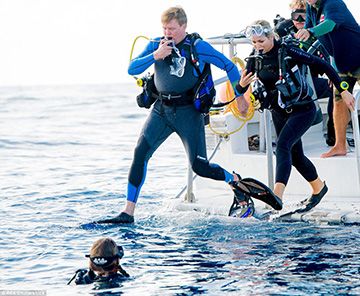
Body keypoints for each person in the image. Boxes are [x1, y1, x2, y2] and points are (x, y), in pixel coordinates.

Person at [98, 6, 254, 223]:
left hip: (188, 113)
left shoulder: (197, 46)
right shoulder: (156, 44)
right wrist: (156, 55)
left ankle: (235, 180)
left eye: (171, 28)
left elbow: (228, 65)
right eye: (164, 28)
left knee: (200, 167)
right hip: (161, 111)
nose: (167, 33)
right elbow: (131, 69)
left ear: (183, 26)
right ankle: (128, 212)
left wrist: (239, 94)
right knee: (140, 153)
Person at [237, 20, 355, 207]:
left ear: (271, 37)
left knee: (283, 145)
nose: (258, 46)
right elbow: (240, 84)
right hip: (279, 111)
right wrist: (241, 86)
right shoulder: (255, 58)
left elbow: (325, 66)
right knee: (296, 156)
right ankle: (319, 188)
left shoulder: (288, 52)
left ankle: (277, 195)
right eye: (254, 42)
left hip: (303, 109)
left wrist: (343, 90)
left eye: (261, 41)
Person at [296, 0, 360, 158]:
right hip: (342, 64)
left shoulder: (334, 3)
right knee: (338, 101)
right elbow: (308, 36)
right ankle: (340, 145)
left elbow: (329, 25)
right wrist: (297, 53)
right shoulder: (312, 8)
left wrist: (310, 32)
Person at [275, 0, 335, 145]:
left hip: (310, 82)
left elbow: (331, 54)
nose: (300, 21)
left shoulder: (318, 31)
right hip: (288, 84)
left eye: (303, 15)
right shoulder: (283, 30)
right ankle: (285, 139)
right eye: (296, 16)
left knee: (337, 88)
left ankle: (333, 133)